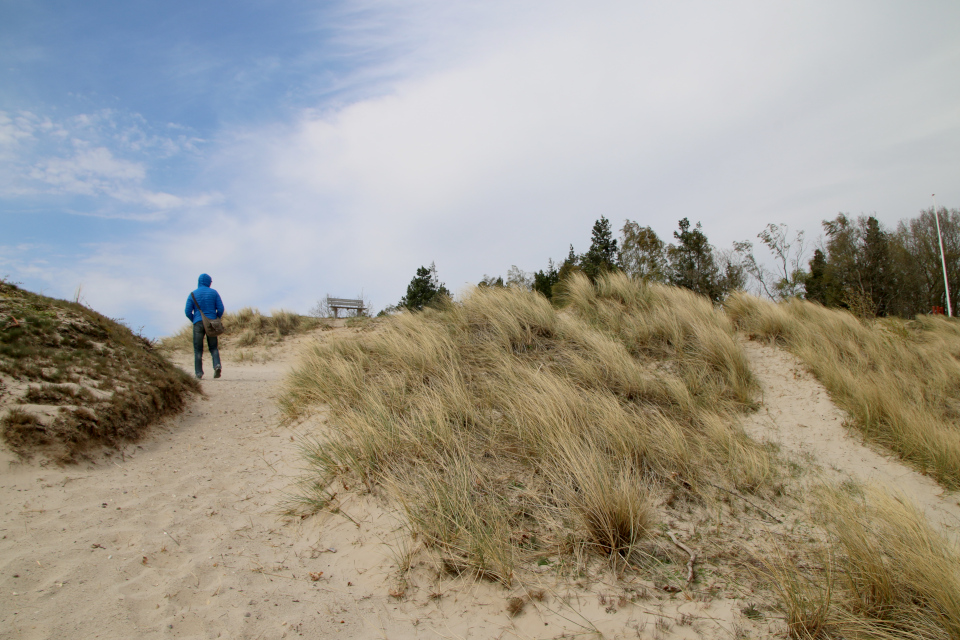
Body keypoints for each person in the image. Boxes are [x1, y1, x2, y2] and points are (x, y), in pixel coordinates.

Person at [185, 273, 225, 379]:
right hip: (211, 323)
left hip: (198, 323)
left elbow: (187, 311)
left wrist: (194, 320)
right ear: (208, 282)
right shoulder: (214, 293)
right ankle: (217, 365)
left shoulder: (193, 294)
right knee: (213, 347)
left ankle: (199, 373)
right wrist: (216, 318)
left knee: (198, 349)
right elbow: (220, 308)